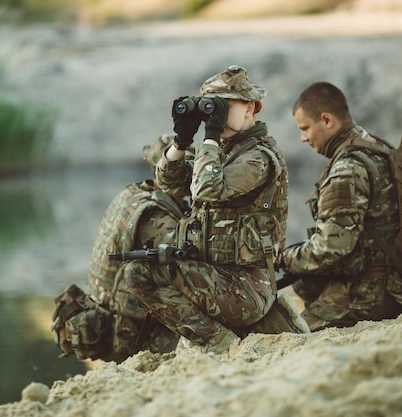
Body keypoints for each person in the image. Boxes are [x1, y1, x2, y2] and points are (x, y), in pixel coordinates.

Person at [121, 65, 304, 354]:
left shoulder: (258, 157)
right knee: (138, 271)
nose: (214, 115)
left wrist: (210, 137)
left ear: (251, 108)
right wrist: (181, 143)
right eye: (210, 108)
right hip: (216, 279)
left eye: (224, 106)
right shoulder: (227, 153)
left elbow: (207, 187)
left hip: (246, 289)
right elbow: (171, 181)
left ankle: (221, 344)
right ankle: (220, 338)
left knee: (143, 273)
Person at [279, 81, 402, 332]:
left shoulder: (347, 168)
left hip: (370, 295)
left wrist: (283, 258)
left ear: (327, 120)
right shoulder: (377, 147)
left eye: (305, 128)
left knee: (291, 332)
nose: (303, 138)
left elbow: (331, 247)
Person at [84, 134, 188, 361]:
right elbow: (190, 266)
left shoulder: (132, 194)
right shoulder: (157, 216)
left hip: (104, 322)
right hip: (127, 337)